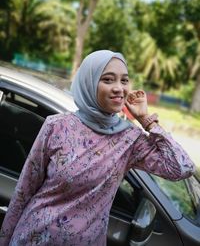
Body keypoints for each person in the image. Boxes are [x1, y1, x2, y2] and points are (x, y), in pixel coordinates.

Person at [0, 50, 195, 246]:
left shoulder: (129, 140)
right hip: (33, 238)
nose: (119, 88)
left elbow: (182, 167)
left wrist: (147, 121)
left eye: (124, 81)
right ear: (90, 83)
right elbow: (24, 189)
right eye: (108, 80)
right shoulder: (56, 126)